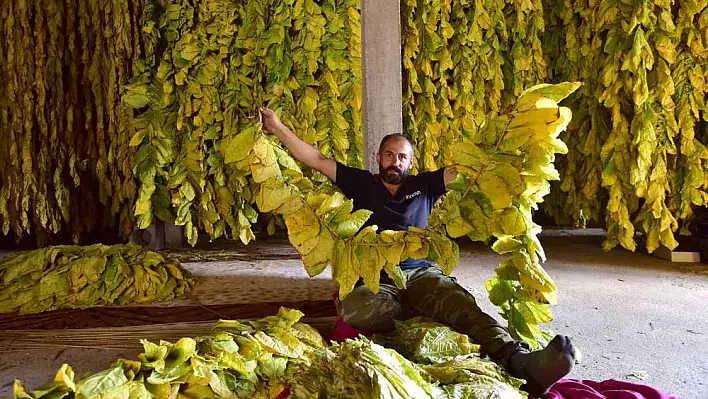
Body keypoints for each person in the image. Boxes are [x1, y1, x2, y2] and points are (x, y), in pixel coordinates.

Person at [260, 107, 576, 397]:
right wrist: (277, 128)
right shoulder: (360, 183)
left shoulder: (427, 184)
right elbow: (315, 158)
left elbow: (472, 171)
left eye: (401, 157)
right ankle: (415, 315)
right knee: (356, 311)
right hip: (376, 275)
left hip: (421, 271)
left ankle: (522, 362)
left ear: (411, 162)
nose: (394, 162)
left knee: (466, 310)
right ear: (378, 157)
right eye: (389, 155)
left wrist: (510, 137)